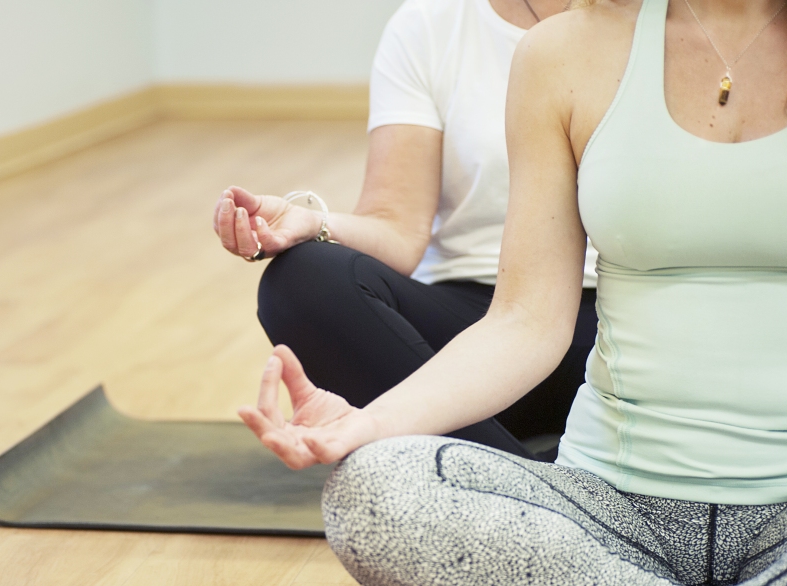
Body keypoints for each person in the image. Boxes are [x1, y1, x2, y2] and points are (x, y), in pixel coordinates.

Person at [238, 0, 787, 586]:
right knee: (369, 494)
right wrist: (365, 426)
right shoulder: (565, 53)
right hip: (612, 508)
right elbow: (527, 320)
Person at [213, 0, 599, 461]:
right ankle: (522, 479)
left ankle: (474, 469)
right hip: (475, 332)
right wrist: (313, 223)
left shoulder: (666, 19)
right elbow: (394, 222)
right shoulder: (430, 25)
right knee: (302, 279)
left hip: (617, 328)